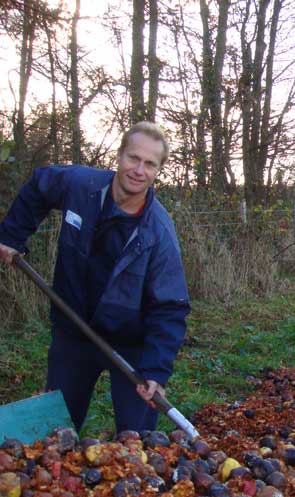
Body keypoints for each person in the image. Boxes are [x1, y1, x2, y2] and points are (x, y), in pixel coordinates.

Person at [0, 122, 190, 433]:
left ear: (158, 171)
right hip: (73, 327)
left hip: (132, 344)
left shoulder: (158, 232)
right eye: (133, 158)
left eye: (149, 164)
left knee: (137, 439)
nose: (138, 170)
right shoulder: (82, 186)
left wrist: (155, 369)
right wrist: (12, 235)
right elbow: (39, 185)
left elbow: (170, 306)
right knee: (56, 430)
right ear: (119, 156)